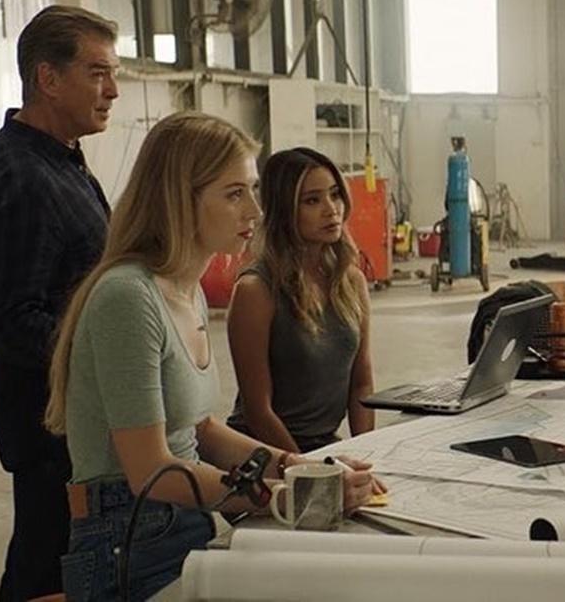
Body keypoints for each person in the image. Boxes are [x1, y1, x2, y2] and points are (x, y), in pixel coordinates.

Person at [44, 112, 379, 601]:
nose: (255, 211)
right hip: (130, 539)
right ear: (180, 199)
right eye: (234, 193)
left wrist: (301, 467)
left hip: (188, 518)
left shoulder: (187, 290)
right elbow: (150, 469)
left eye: (253, 190)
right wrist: (287, 495)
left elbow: (200, 430)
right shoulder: (128, 296)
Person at [0, 5, 119, 601]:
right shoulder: (23, 179)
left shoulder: (61, 159)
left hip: (73, 417)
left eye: (113, 74)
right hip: (49, 424)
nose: (112, 91)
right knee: (47, 570)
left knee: (66, 566)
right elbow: (12, 325)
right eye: (97, 73)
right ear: (48, 78)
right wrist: (109, 354)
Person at [226, 147, 376, 453]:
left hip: (324, 448)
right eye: (312, 200)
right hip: (264, 451)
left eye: (335, 194)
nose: (331, 209)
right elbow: (257, 411)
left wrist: (366, 451)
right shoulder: (256, 290)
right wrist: (306, 470)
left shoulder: (351, 282)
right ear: (284, 210)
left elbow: (361, 384)